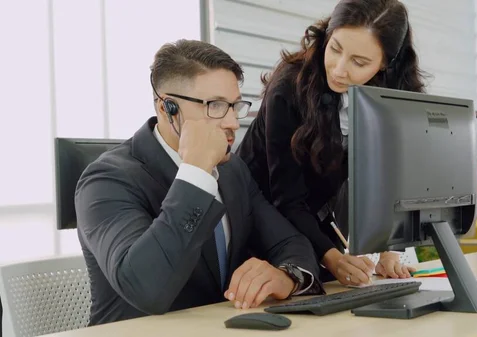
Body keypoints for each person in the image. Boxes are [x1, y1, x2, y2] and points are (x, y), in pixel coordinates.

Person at [75, 39, 323, 326]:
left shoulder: (233, 171)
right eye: (215, 106)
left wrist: (286, 276)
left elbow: (292, 242)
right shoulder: (106, 181)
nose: (232, 122)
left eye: (234, 106)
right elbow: (147, 290)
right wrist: (196, 172)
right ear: (167, 108)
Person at [236, 0, 423, 286]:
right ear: (327, 35)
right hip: (258, 214)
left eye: (359, 62)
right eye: (335, 49)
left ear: (385, 64)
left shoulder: (388, 96)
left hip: (309, 217)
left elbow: (385, 175)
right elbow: (287, 197)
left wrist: (389, 249)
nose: (338, 70)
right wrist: (332, 257)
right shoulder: (289, 87)